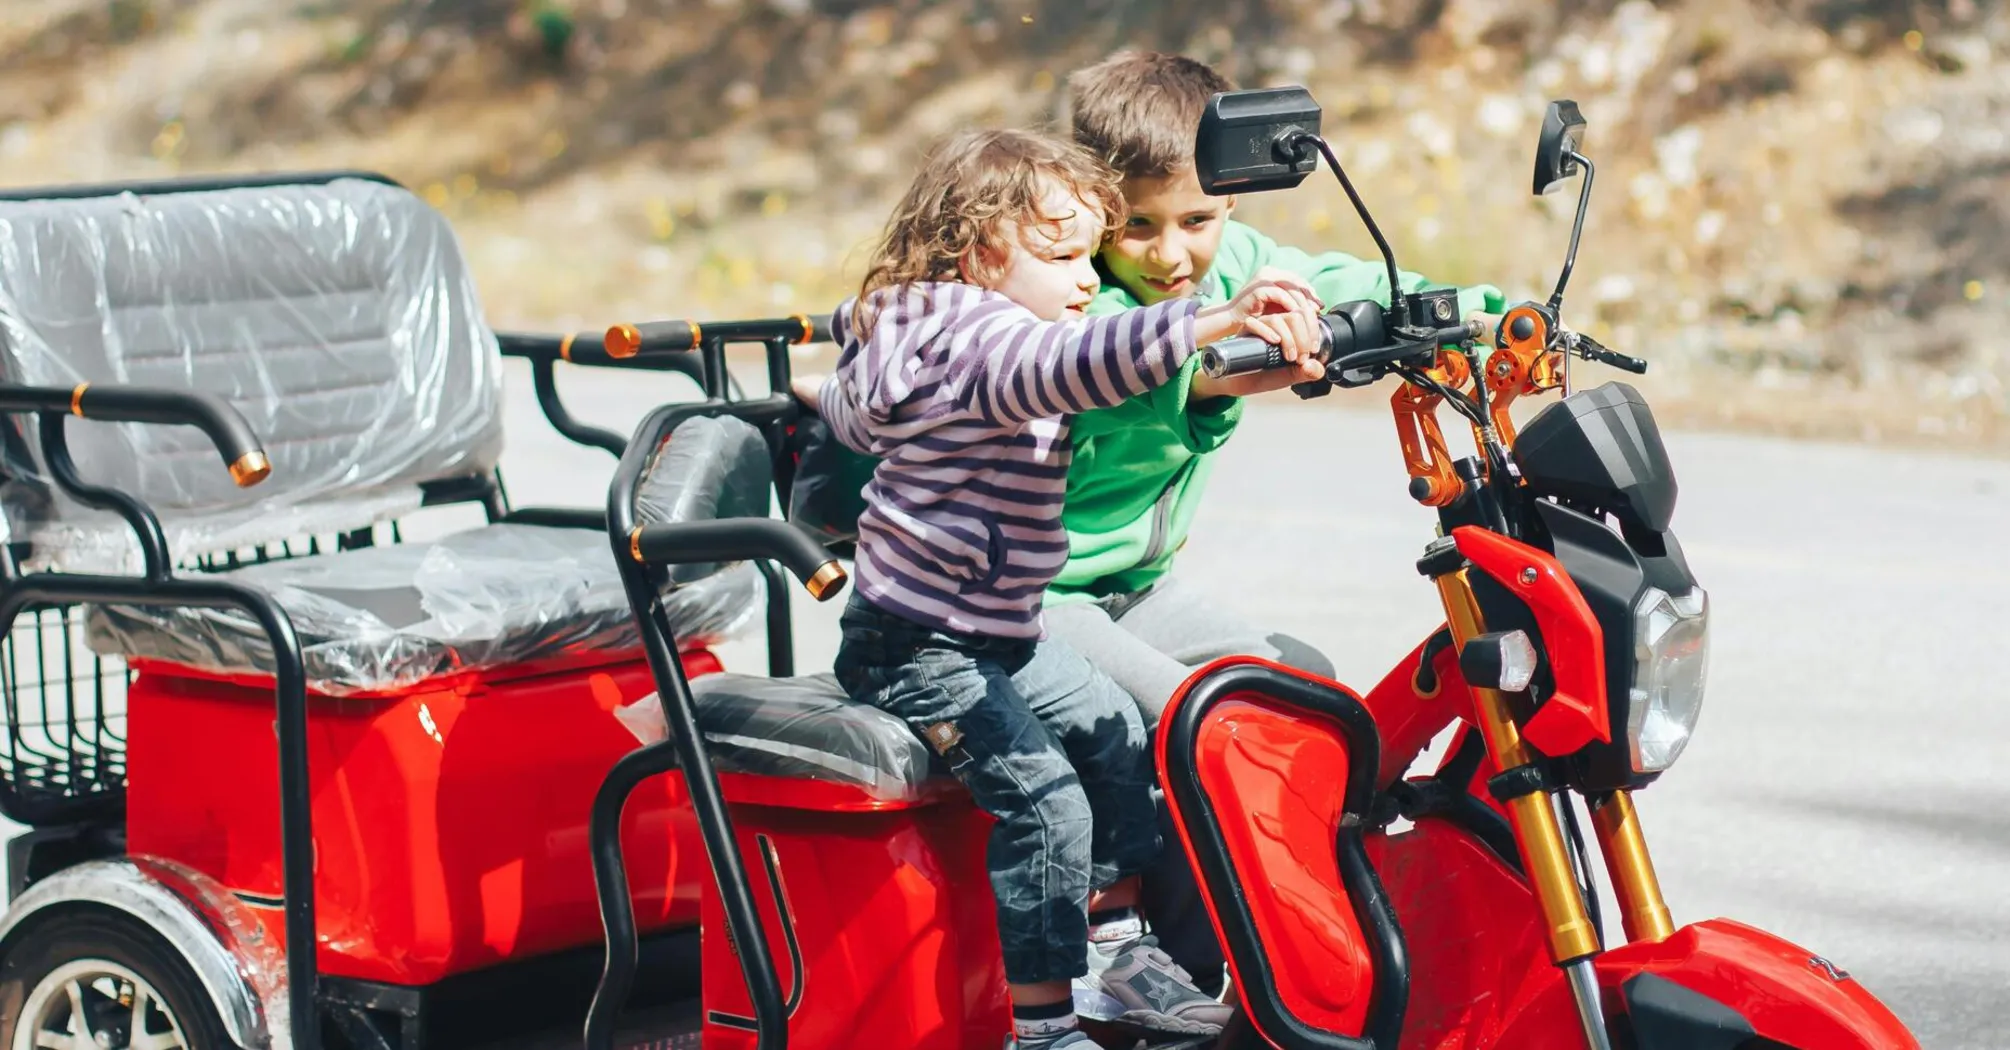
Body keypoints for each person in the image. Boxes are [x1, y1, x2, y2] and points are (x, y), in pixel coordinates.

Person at [801, 127, 1325, 1048]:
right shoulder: (984, 343)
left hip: (994, 624)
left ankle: (1119, 953)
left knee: (1112, 723)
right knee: (1046, 801)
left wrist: (831, 383)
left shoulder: (926, 328)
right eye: (1061, 254)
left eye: (1091, 251)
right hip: (918, 643)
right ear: (979, 253)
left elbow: (853, 405)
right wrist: (1212, 319)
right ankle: (1042, 1026)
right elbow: (1064, 369)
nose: (1087, 278)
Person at [1051, 49, 1508, 998]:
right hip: (1033, 595)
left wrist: (1490, 313)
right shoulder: (1069, 296)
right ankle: (1117, 953)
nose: (1171, 254)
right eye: (1136, 224)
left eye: (1198, 221)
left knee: (1301, 689)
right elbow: (1132, 369)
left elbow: (1349, 276)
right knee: (1201, 718)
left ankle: (1204, 966)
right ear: (1091, 212)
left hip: (1139, 588)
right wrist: (1220, 358)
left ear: (1234, 207)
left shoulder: (1240, 265)